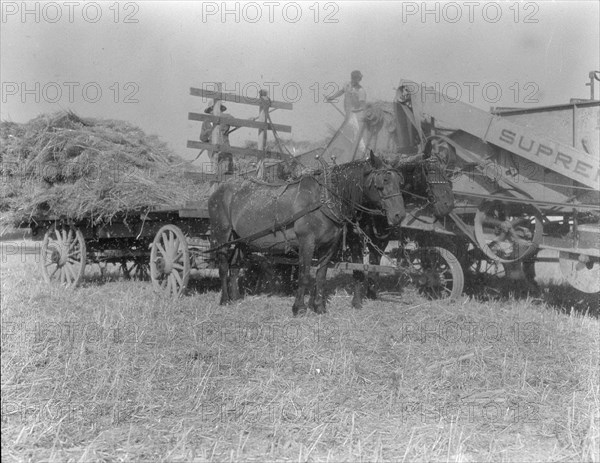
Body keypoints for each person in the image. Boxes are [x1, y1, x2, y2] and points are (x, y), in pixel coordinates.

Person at [326, 70, 367, 161]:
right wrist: (332, 97)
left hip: (355, 114)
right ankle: (356, 151)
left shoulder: (360, 90)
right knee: (350, 132)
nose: (359, 80)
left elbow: (363, 105)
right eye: (357, 78)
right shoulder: (347, 85)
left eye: (359, 79)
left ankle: (363, 152)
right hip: (348, 113)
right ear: (353, 78)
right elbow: (341, 91)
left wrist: (359, 112)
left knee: (356, 132)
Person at [200, 103, 234, 176]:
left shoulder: (226, 117)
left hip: (225, 150)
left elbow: (238, 123)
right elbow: (202, 138)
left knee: (227, 174)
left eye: (214, 108)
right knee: (216, 174)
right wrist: (208, 132)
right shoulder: (206, 122)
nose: (212, 111)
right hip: (212, 152)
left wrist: (249, 120)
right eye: (211, 109)